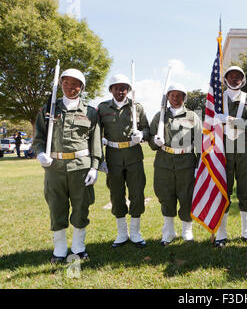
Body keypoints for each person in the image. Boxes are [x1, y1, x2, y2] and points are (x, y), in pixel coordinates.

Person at [33, 68, 102, 263]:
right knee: (56, 206)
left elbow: (95, 141)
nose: (70, 88)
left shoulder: (90, 112)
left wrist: (94, 166)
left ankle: (79, 247)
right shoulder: (49, 109)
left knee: (81, 206)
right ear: (61, 84)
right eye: (66, 83)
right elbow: (38, 137)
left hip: (81, 167)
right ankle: (60, 248)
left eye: (75, 85)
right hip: (54, 167)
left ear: (81, 87)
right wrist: (40, 154)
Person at [97, 74, 151, 248]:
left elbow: (148, 130)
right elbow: (96, 133)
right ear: (111, 90)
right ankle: (122, 233)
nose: (120, 91)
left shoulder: (137, 107)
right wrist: (100, 156)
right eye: (116, 87)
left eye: (123, 87)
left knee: (136, 193)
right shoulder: (103, 108)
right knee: (116, 194)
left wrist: (142, 135)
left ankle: (135, 232)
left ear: (128, 89)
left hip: (133, 154)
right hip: (113, 156)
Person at [148, 83, 202, 246]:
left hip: (186, 163)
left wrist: (199, 165)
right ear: (168, 97)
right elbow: (150, 139)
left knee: (186, 197)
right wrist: (154, 141)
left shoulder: (192, 116)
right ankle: (169, 231)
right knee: (166, 196)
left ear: (184, 98)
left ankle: (187, 231)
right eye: (173, 95)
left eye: (179, 95)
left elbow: (199, 142)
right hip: (164, 163)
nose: (176, 99)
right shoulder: (160, 116)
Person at [213, 66, 247, 248]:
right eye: (231, 76)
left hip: (243, 149)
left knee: (245, 190)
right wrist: (215, 120)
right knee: (223, 190)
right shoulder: (218, 100)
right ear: (225, 79)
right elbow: (207, 123)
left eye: (238, 76)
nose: (234, 79)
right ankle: (221, 233)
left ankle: (246, 231)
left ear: (243, 79)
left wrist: (233, 121)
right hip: (222, 150)